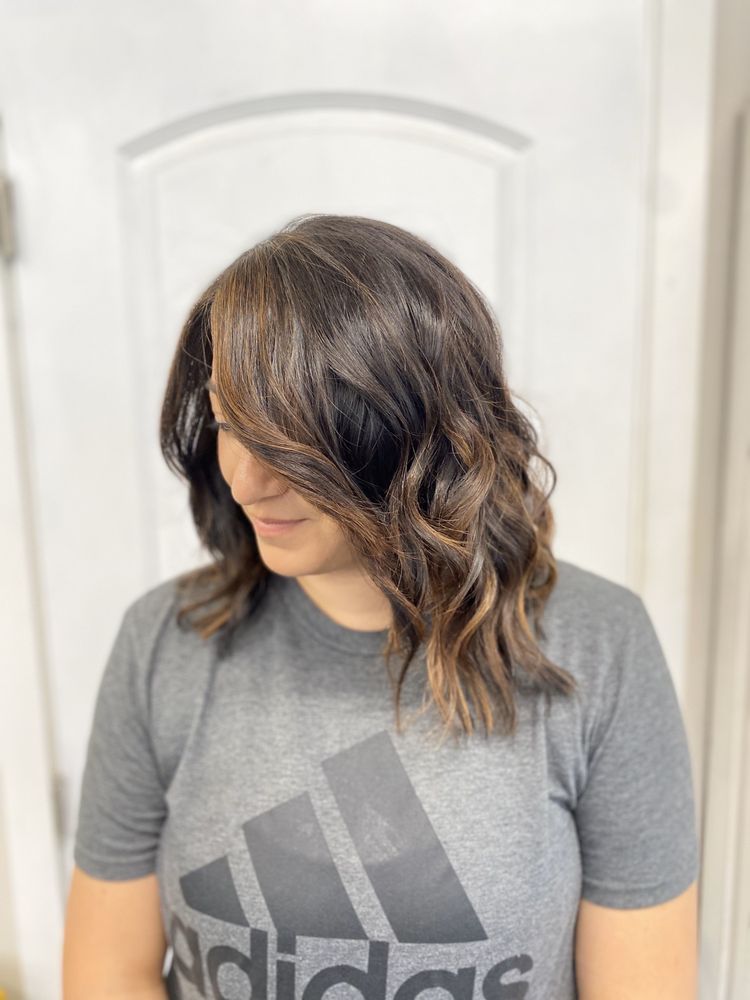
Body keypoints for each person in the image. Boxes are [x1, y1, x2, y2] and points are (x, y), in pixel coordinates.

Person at [62, 213, 699, 999]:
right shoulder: (164, 641)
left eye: (292, 441)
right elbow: (109, 971)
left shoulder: (600, 646)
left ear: (416, 430)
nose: (248, 481)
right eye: (229, 423)